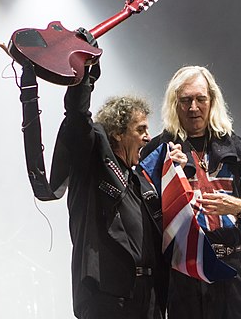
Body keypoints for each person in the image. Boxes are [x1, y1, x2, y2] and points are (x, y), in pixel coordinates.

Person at [58, 60, 186, 319]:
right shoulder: (93, 167)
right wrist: (83, 77)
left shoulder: (140, 179)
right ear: (117, 133)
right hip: (108, 298)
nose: (148, 137)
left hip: (148, 297)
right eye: (141, 129)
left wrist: (179, 174)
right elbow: (77, 119)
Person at [139, 65, 241, 319]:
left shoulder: (234, 144)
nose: (193, 108)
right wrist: (163, 171)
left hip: (233, 269)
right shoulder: (159, 149)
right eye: (185, 100)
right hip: (185, 273)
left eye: (200, 99)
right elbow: (145, 213)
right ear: (175, 103)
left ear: (212, 100)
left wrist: (236, 206)